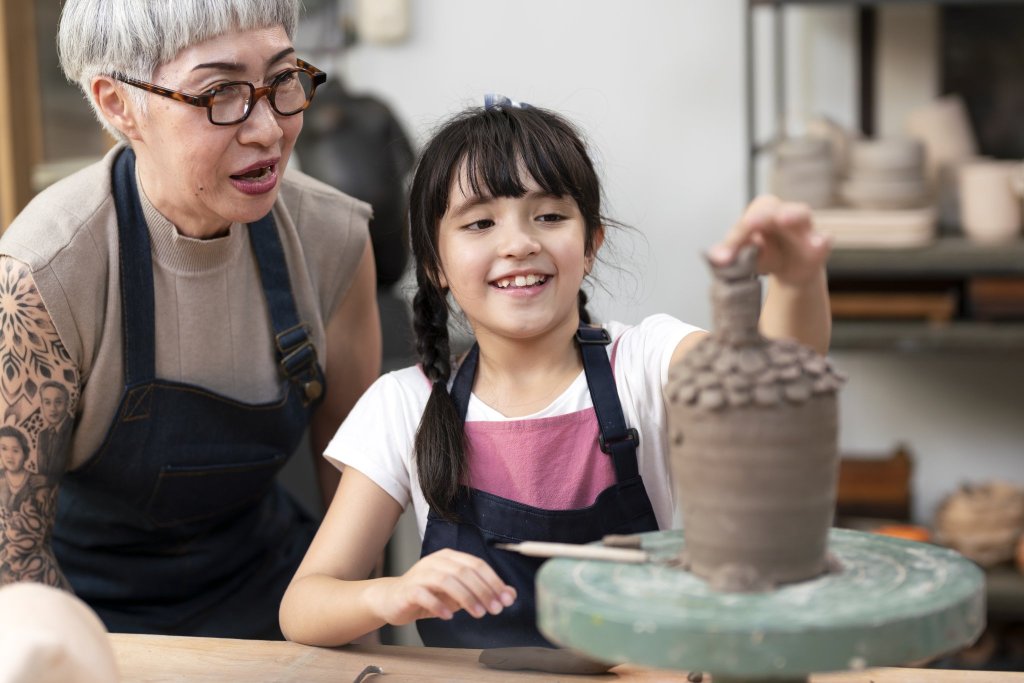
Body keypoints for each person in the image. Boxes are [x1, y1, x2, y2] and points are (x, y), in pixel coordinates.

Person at [279, 98, 831, 648]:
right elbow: (304, 607)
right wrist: (387, 595)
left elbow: (771, 384)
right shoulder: (404, 405)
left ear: (591, 243)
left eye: (549, 216)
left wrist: (797, 280)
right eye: (479, 223)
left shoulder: (645, 362)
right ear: (435, 264)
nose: (520, 244)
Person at [0, 0, 381, 639]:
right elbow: (13, 558)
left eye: (283, 79)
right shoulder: (44, 276)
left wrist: (361, 651)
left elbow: (356, 495)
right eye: (220, 93)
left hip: (273, 600)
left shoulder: (334, 237)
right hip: (88, 621)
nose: (267, 128)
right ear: (118, 103)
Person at [35, 382, 72, 479]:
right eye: (47, 402)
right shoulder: (42, 435)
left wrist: (49, 481)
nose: (52, 409)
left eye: (58, 402)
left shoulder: (71, 428)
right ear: (42, 405)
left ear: (67, 404)